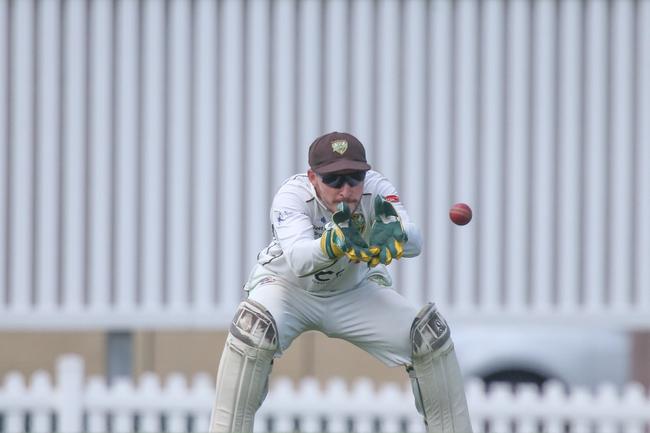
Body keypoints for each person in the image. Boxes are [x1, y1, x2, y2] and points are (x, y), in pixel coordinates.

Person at [209, 131, 473, 433]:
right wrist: (332, 243)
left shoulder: (376, 189)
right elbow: (299, 260)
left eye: (354, 178)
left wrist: (398, 233)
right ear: (312, 177)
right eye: (334, 180)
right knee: (252, 330)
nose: (346, 190)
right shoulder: (292, 195)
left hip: (353, 290)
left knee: (428, 336)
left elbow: (414, 242)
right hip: (289, 289)